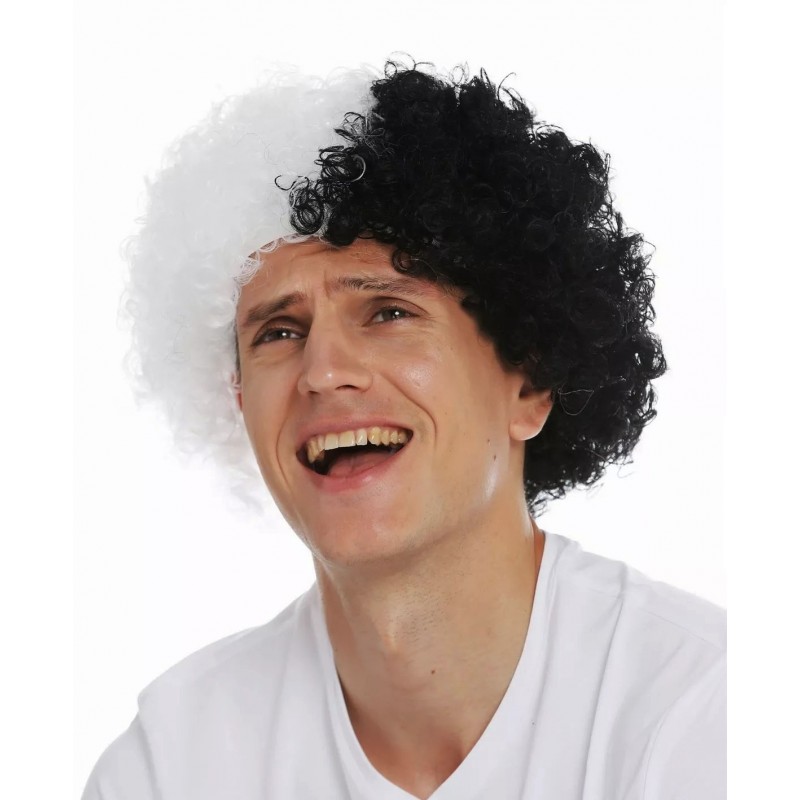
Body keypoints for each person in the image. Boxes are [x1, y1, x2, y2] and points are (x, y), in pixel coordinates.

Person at [82, 59, 726, 800]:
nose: (323, 371)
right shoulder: (174, 765)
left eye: (388, 312)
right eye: (278, 332)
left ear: (529, 384)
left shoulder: (705, 718)